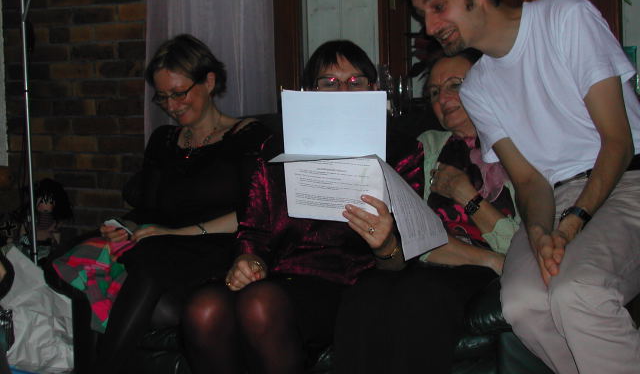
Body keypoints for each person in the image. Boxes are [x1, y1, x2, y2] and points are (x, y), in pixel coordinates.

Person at [405, 0, 640, 374]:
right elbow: (530, 181)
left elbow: (617, 142)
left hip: (626, 182)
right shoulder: (478, 88)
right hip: (557, 198)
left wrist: (570, 225)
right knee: (522, 302)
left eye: (438, 6)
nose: (431, 26)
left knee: (577, 292)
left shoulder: (565, 17)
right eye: (423, 15)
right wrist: (538, 234)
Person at [181, 40, 414, 374]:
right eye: (329, 82)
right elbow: (253, 228)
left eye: (355, 81)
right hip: (278, 273)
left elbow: (406, 259)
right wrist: (248, 259)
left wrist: (386, 244)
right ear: (310, 92)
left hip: (347, 283)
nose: (343, 91)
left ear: (374, 89)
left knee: (259, 303)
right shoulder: (276, 148)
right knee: (203, 309)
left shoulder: (401, 149)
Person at [67, 34, 272, 374]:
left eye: (179, 93)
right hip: (164, 246)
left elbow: (258, 212)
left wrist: (177, 233)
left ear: (209, 81)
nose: (172, 105)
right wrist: (124, 227)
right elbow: (147, 209)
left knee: (150, 262)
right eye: (163, 97)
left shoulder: (248, 136)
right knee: (93, 260)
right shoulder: (163, 140)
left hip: (220, 247)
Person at [333, 49, 520, 374]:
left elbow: (519, 246)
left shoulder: (520, 146)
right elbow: (416, 235)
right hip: (438, 261)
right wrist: (490, 259)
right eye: (434, 92)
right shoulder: (428, 143)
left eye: (455, 85)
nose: (442, 98)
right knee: (364, 294)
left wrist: (466, 196)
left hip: (473, 275)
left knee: (420, 296)